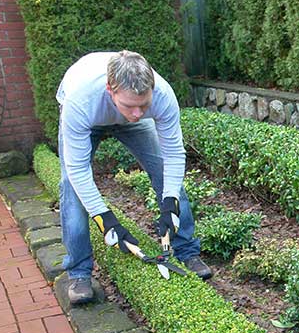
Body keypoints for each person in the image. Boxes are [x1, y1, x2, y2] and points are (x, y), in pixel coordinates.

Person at [56, 50, 212, 305]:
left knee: (164, 171)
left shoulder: (162, 95)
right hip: (90, 118)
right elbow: (78, 169)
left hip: (119, 114)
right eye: (131, 106)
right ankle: (79, 273)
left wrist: (170, 202)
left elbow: (173, 153)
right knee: (70, 190)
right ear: (110, 90)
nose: (138, 112)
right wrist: (105, 219)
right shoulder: (80, 101)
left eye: (144, 105)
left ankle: (187, 251)